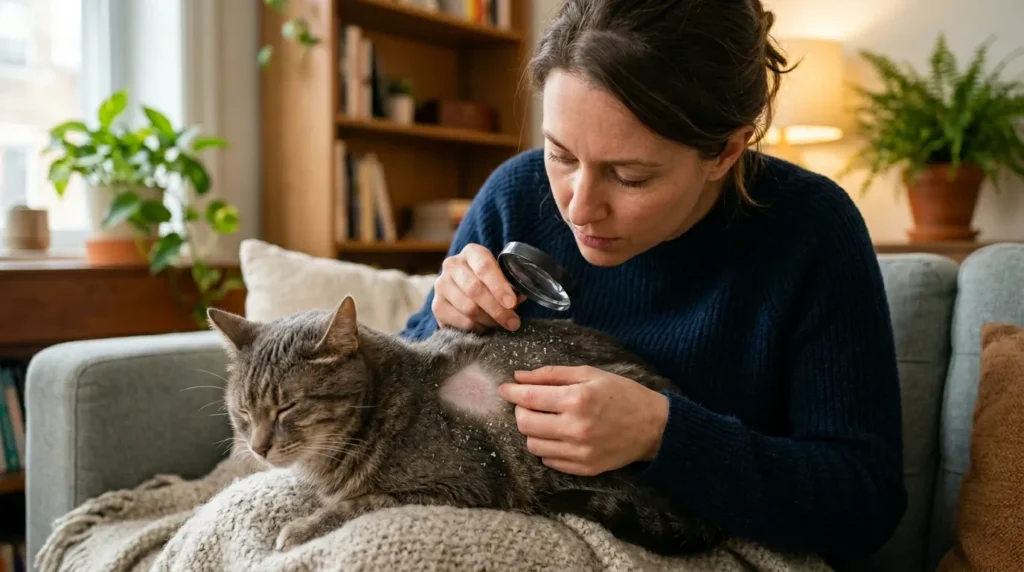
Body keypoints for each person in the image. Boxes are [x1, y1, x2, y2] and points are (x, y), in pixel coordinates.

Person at [400, 0, 907, 564]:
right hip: (499, 507)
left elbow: (866, 501)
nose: (579, 207)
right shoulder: (515, 195)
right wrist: (441, 321)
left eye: (630, 176)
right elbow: (405, 391)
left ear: (724, 151)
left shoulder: (812, 230)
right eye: (561, 154)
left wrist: (663, 434)